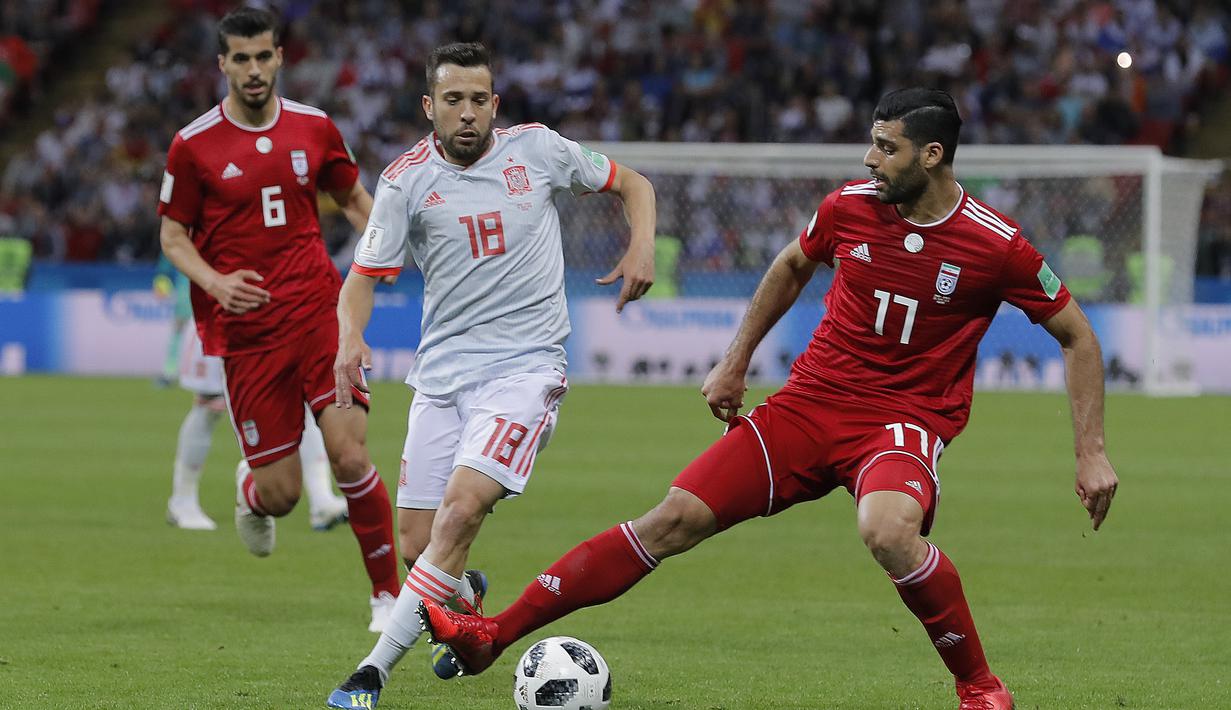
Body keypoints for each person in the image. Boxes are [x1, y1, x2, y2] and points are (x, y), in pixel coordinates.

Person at [420, 88, 1120, 710]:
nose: (869, 159)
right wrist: (734, 362)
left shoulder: (994, 245)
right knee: (667, 521)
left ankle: (978, 687)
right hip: (807, 406)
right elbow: (791, 265)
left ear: (932, 154)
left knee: (886, 531)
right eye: (871, 142)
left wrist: (1088, 452)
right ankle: (492, 635)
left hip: (901, 422)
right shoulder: (847, 208)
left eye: (886, 146)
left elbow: (1076, 336)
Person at [325, 42, 656, 710]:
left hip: (525, 370)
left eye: (479, 100)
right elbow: (362, 276)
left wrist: (640, 244)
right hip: (441, 378)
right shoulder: (404, 182)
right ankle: (466, 598)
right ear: (430, 107)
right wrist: (349, 338)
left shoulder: (537, 150)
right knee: (421, 547)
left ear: (495, 105)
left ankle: (370, 674)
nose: (467, 113)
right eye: (453, 101)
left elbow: (633, 183)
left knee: (461, 510)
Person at [157, 7, 399, 632]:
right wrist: (213, 281)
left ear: (280, 57)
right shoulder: (194, 145)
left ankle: (386, 599)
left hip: (320, 313)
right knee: (284, 496)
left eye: (264, 56)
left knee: (349, 455)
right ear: (223, 65)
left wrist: (382, 250)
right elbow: (173, 235)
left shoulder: (315, 128)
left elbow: (351, 198)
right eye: (242, 58)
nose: (255, 69)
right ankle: (250, 491)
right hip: (249, 337)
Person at [166, 315, 349, 533]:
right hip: (222, 317)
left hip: (275, 316)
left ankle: (321, 499)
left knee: (299, 398)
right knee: (209, 405)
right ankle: (183, 500)